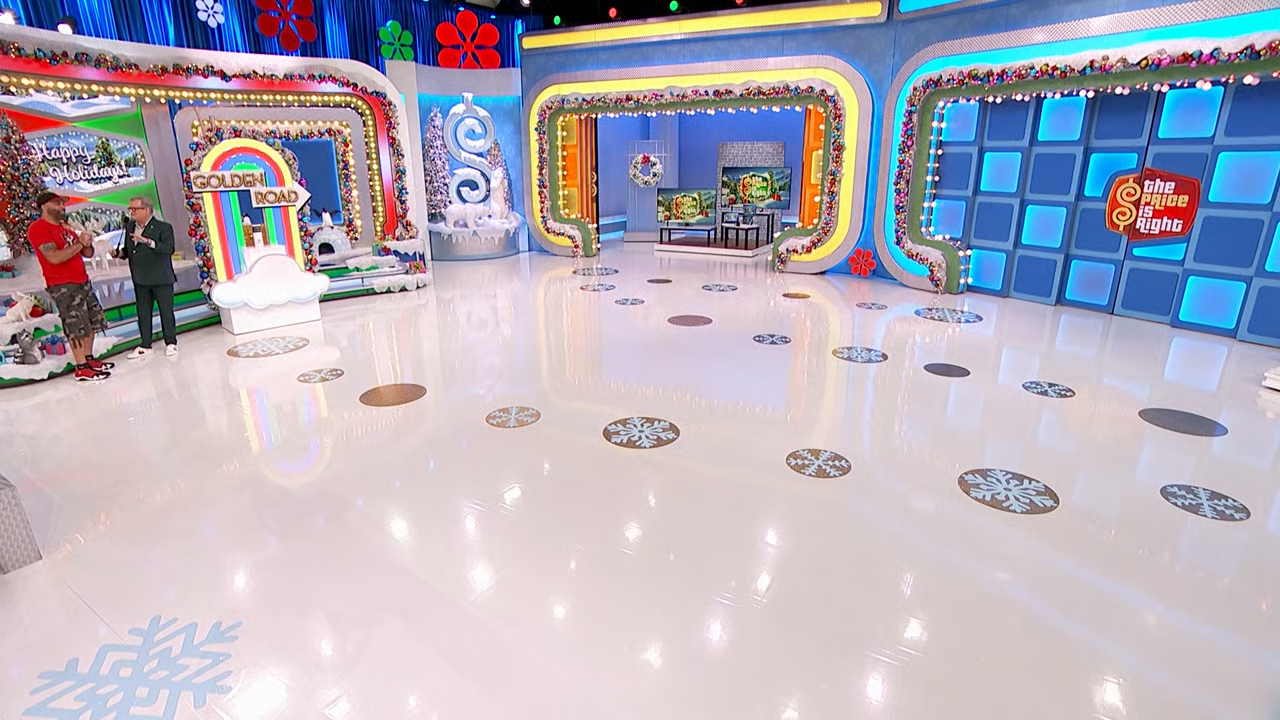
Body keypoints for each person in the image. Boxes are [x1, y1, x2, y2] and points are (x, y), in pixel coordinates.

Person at [29, 192, 114, 382]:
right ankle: (81, 367)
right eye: (56, 203)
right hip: (63, 285)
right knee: (76, 325)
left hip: (82, 280)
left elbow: (87, 254)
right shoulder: (38, 229)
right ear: (43, 206)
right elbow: (54, 257)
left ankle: (89, 359)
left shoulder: (65, 229)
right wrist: (79, 244)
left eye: (62, 203)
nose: (61, 207)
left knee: (92, 321)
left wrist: (87, 243)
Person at [114, 196, 178, 358]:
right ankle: (145, 344)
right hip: (140, 280)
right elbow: (129, 251)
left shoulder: (163, 227)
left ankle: (171, 343)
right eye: (130, 209)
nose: (131, 212)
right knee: (143, 313)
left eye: (135, 209)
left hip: (161, 278)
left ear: (147, 210)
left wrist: (148, 241)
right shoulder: (130, 227)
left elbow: (168, 249)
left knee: (166, 312)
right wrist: (119, 253)